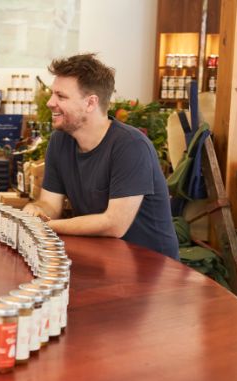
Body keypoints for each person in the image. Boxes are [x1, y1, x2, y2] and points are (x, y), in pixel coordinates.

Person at [23, 53, 180, 260]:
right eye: (53, 94)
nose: (50, 103)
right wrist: (35, 210)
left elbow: (114, 224)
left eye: (61, 96)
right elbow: (51, 205)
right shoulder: (60, 141)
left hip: (152, 270)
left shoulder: (130, 146)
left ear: (90, 103)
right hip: (105, 259)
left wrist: (47, 225)